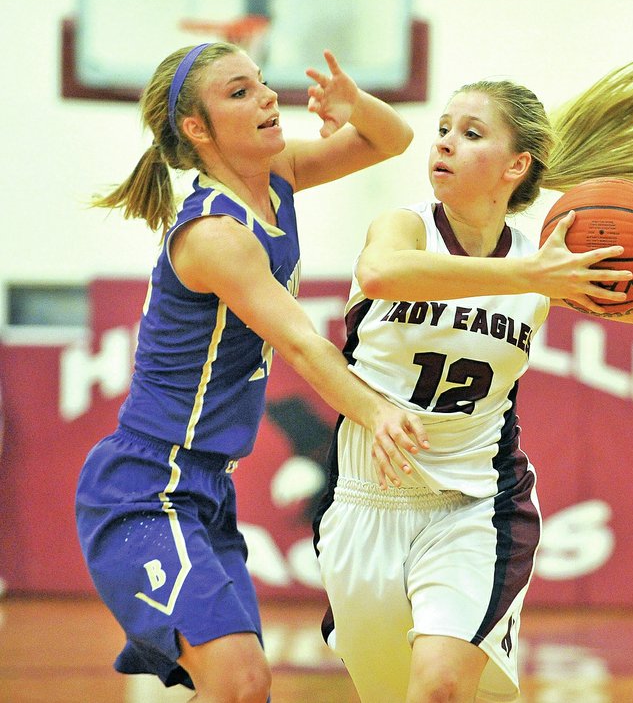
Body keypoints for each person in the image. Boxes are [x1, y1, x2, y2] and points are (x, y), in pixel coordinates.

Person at [312, 59, 633, 703]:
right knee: (391, 693)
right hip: (366, 502)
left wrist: (619, 219)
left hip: (477, 505)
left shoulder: (546, 262)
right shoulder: (409, 226)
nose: (446, 141)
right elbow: (381, 275)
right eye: (444, 128)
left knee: (439, 689)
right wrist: (533, 276)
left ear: (518, 166)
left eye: (472, 132)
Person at [75, 42, 430, 703]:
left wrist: (354, 105)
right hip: (147, 489)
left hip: (206, 489)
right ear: (197, 129)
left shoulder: (278, 177)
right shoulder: (215, 233)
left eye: (262, 83)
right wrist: (376, 410)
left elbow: (392, 139)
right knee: (238, 682)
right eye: (239, 92)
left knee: (245, 690)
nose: (268, 97)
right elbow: (299, 343)